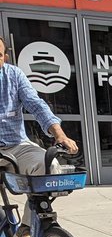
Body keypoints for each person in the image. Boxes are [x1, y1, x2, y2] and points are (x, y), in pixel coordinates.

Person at [0, 34, 79, 173]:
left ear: (5, 58)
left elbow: (36, 105)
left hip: (17, 146)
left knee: (49, 165)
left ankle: (39, 196)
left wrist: (59, 135)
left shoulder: (14, 75)